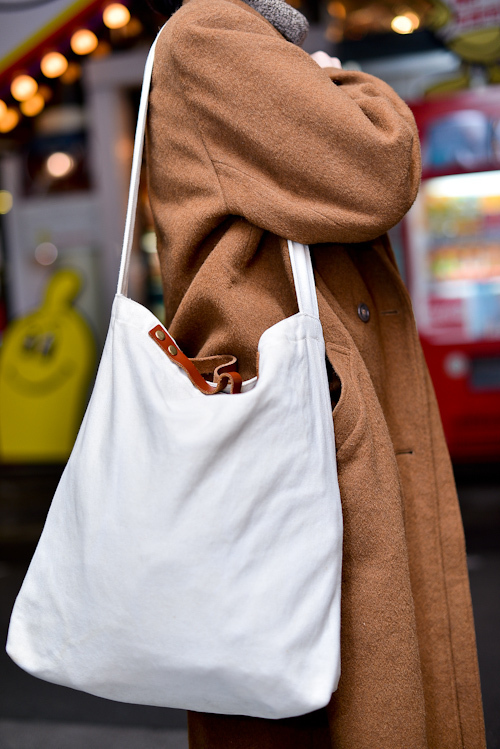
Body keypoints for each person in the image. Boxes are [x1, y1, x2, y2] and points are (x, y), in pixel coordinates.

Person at [145, 0, 487, 746]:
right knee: (341, 700)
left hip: (303, 425)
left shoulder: (234, 41)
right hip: (304, 440)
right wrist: (344, 83)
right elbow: (377, 165)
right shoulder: (211, 31)